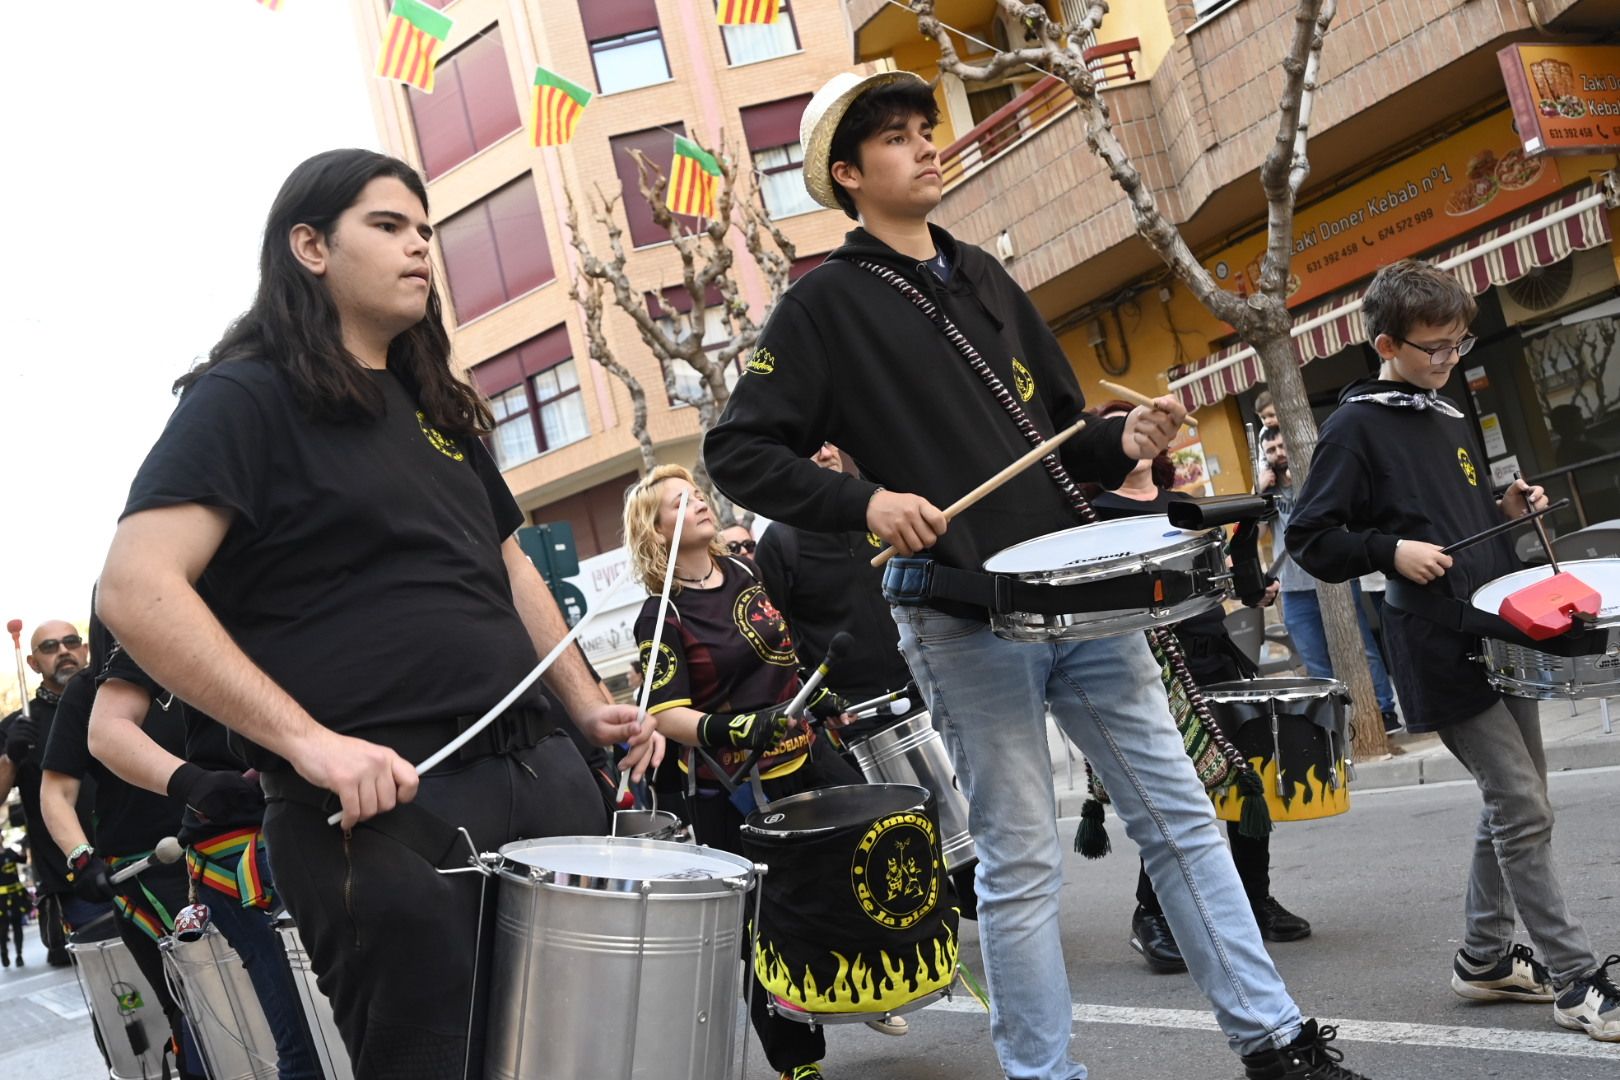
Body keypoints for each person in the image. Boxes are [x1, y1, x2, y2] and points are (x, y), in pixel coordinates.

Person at [704, 70, 1371, 1080]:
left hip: (1084, 599)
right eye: (897, 138)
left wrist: (1126, 436)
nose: (928, 146)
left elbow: (1067, 440)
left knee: (1184, 822)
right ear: (847, 175)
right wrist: (868, 505)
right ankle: (1043, 1075)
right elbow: (740, 453)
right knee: (1019, 861)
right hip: (963, 613)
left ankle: (1276, 1043)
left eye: (928, 129)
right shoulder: (821, 307)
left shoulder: (985, 276)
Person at [95, 149, 657, 1078]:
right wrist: (311, 743)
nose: (419, 250)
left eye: (426, 232)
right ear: (309, 246)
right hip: (389, 817)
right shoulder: (243, 397)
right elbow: (136, 588)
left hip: (545, 776)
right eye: (389, 227)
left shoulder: (435, 401)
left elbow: (508, 562)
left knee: (591, 1058)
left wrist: (584, 701)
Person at [1287, 257, 1619, 1044]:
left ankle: (1481, 960)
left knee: (1518, 800)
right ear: (1386, 343)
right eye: (1433, 347)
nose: (1447, 360)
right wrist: (1388, 550)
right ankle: (1574, 979)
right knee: (1523, 803)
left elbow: (1461, 510)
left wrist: (1505, 507)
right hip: (1433, 639)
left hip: (1498, 625)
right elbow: (1311, 538)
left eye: (1458, 344)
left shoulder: (1444, 409)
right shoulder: (1352, 426)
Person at [624, 466, 891, 1080]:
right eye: (677, 501)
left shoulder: (743, 572)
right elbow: (665, 715)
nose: (696, 502)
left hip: (803, 752)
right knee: (765, 923)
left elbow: (780, 653)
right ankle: (797, 1061)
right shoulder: (660, 616)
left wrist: (815, 696)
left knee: (858, 861)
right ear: (657, 532)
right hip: (734, 786)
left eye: (695, 492)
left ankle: (869, 986)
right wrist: (738, 728)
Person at [1080, 401, 1307, 975]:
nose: (1142, 439)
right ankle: (1150, 914)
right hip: (1149, 669)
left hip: (1215, 659)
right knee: (1178, 794)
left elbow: (1220, 578)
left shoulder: (1183, 508)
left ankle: (1254, 898)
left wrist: (1253, 591)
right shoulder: (1091, 514)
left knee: (1246, 782)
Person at [87, 632, 323, 1079]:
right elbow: (105, 732)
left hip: (362, 814)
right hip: (243, 850)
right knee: (308, 1042)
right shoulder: (181, 585)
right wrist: (194, 783)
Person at [39, 613, 205, 1079]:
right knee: (193, 1011)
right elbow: (57, 792)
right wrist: (81, 857)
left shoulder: (201, 657)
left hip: (229, 853)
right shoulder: (87, 691)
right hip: (146, 874)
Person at [1260, 427, 1402, 733]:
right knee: (1314, 658)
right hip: (1294, 589)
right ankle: (1336, 720)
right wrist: (1259, 493)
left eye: (1281, 445)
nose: (1278, 453)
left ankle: (1385, 709)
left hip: (1331, 579)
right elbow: (1256, 535)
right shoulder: (1267, 494)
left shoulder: (1315, 479)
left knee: (1361, 647)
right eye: (1270, 449)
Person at [0, 620, 102, 966]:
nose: (63, 651)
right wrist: (10, 757)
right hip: (77, 884)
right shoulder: (18, 725)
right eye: (49, 646)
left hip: (144, 863)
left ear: (85, 650)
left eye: (71, 642)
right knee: (120, 998)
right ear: (32, 663)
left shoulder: (117, 699)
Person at [0, 844, 25, 968]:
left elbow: (23, 860)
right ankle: (4, 951)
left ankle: (19, 955)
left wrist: (25, 849)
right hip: (1, 899)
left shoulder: (9, 852)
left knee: (17, 925)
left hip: (15, 895)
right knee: (3, 929)